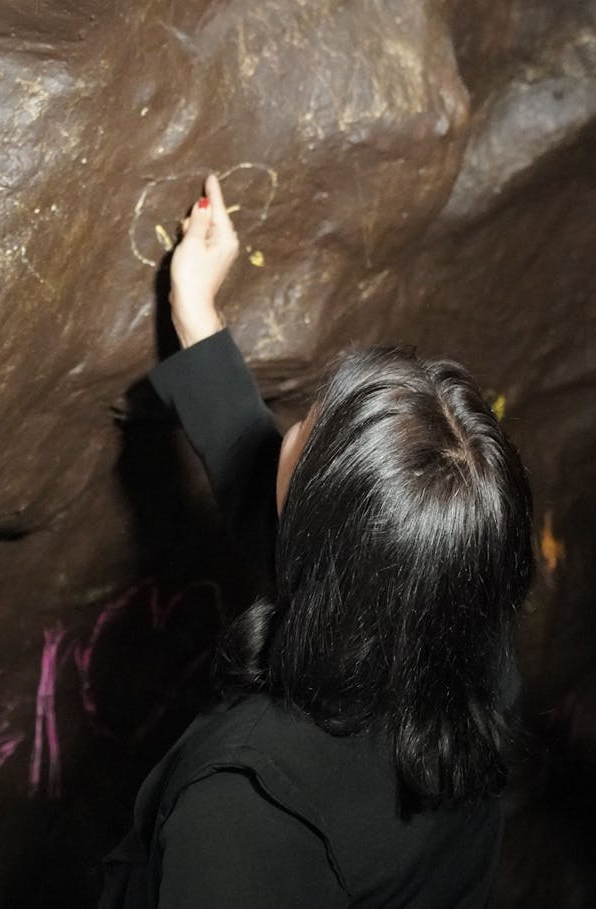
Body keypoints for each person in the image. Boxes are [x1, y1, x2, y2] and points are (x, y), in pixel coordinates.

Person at [100, 175, 535, 908]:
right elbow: (307, 527)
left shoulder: (244, 816)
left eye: (304, 432)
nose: (291, 423)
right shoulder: (461, 625)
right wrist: (195, 312)